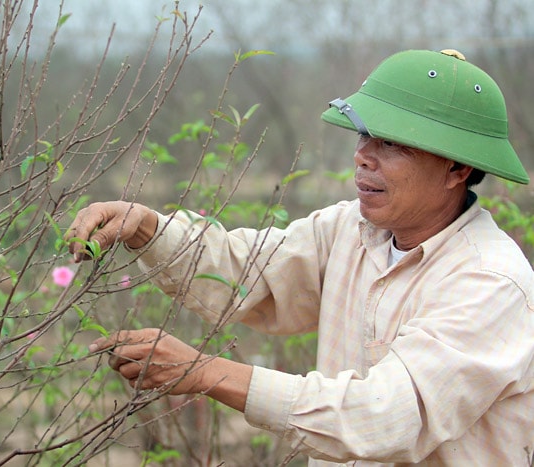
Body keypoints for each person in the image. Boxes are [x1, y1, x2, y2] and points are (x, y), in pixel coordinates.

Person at [66, 49, 534, 465]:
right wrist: (147, 226)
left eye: (392, 143)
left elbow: (384, 416)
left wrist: (205, 372)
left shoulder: (489, 282)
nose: (364, 157)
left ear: (457, 168)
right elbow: (245, 271)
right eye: (364, 135)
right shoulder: (351, 231)